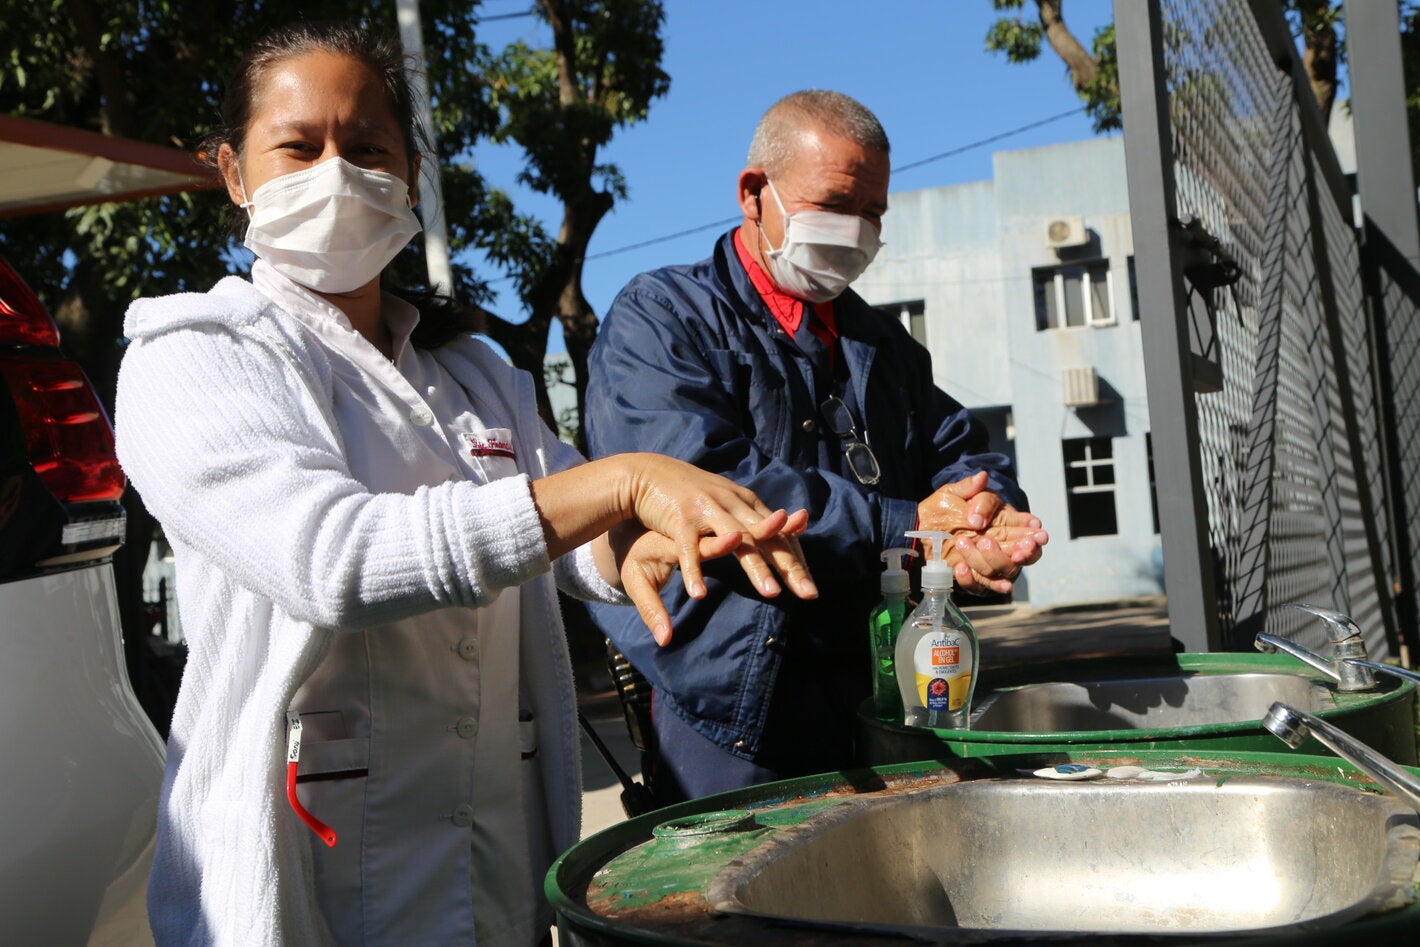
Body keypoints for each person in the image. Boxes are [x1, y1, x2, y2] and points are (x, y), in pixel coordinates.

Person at [113, 22, 815, 947]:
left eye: (367, 148)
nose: (335, 172)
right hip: (300, 875)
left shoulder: (476, 372)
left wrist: (645, 543)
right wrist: (625, 479)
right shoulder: (195, 353)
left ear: (410, 175)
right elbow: (334, 560)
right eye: (298, 145)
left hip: (493, 864)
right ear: (234, 173)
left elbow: (574, 526)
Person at [583, 90, 1048, 803]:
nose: (856, 231)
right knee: (739, 903)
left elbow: (959, 447)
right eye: (835, 205)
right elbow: (711, 483)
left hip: (880, 690)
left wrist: (989, 516)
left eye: (874, 214)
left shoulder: (883, 345)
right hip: (734, 707)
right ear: (753, 193)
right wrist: (915, 527)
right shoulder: (662, 317)